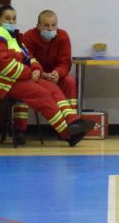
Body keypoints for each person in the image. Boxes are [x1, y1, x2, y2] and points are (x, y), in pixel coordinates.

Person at [0, 5, 93, 146]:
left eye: (14, 18)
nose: (11, 22)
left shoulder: (11, 35)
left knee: (52, 88)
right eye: (7, 18)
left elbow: (28, 56)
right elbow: (6, 67)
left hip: (14, 76)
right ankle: (68, 134)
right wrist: (30, 73)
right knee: (42, 95)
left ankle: (73, 121)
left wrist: (36, 69)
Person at [19, 9, 80, 142]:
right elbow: (26, 61)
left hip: (54, 76)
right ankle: (19, 130)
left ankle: (72, 125)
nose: (50, 29)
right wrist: (42, 74)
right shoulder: (28, 37)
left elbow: (65, 62)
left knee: (69, 82)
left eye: (53, 25)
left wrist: (57, 73)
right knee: (22, 85)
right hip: (35, 76)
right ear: (38, 25)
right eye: (46, 25)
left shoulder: (62, 36)